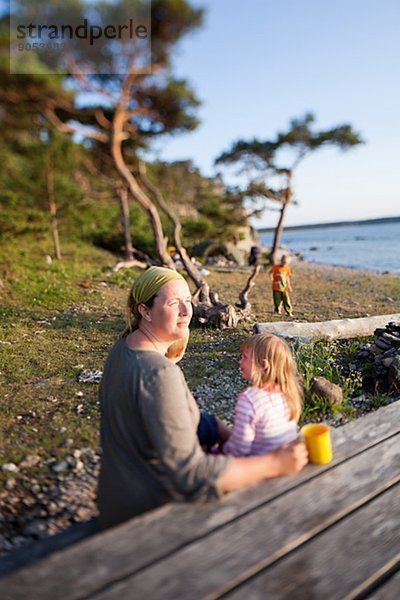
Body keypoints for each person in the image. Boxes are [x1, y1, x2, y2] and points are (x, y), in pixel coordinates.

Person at [97, 266, 308, 530]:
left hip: (116, 500)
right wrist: (275, 463)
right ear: (145, 311)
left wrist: (213, 427)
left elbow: (155, 416)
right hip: (150, 517)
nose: (188, 312)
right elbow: (191, 474)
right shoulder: (158, 373)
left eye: (188, 301)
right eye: (175, 303)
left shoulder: (123, 348)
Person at [223, 334, 303, 456]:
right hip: (287, 459)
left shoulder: (249, 400)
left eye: (245, 357)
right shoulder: (287, 392)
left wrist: (221, 450)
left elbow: (239, 450)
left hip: (261, 467)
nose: (240, 362)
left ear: (263, 365)